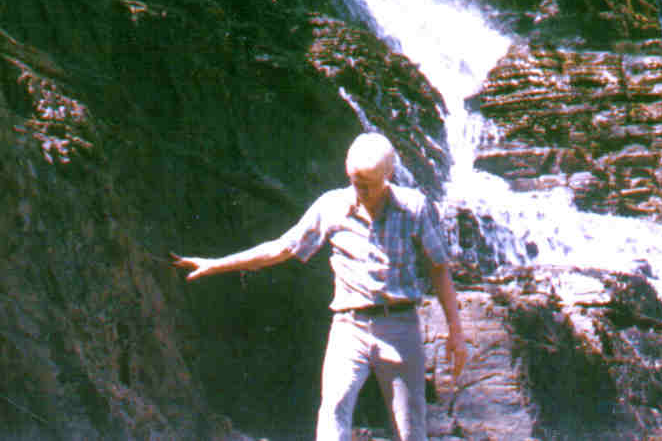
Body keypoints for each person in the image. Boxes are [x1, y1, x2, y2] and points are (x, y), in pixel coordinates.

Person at [174, 132, 467, 441]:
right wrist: (216, 264)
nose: (361, 191)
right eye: (356, 182)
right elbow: (282, 248)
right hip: (349, 327)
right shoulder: (332, 206)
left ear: (389, 175)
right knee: (332, 414)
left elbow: (439, 267)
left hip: (400, 326)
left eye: (368, 183)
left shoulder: (415, 207)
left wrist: (456, 332)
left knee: (410, 429)